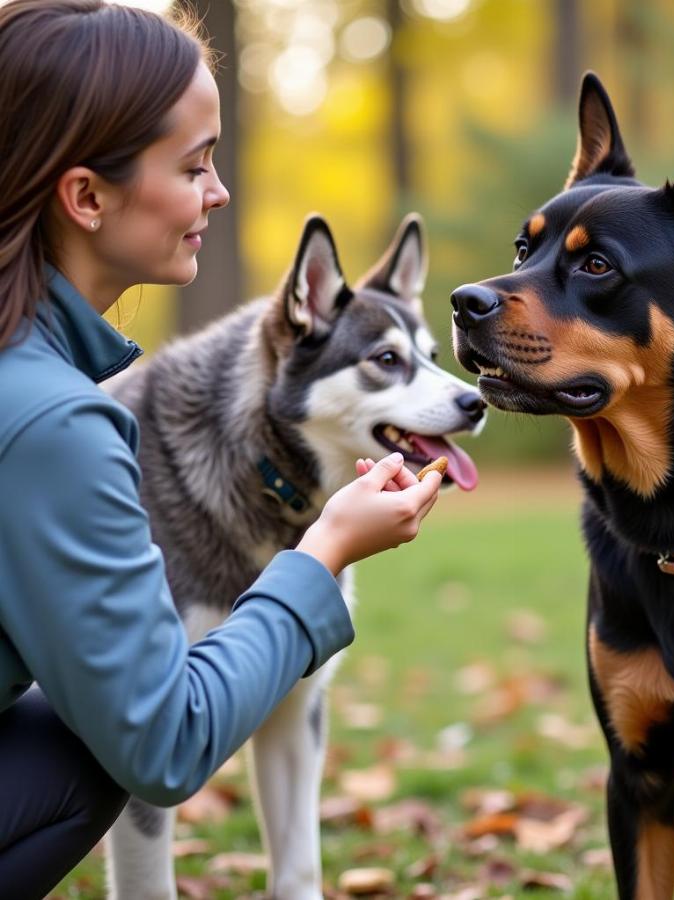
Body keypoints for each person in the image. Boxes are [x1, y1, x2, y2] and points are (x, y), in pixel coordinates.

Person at [0, 2, 443, 896]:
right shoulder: (55, 423)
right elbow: (160, 747)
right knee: (90, 738)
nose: (221, 192)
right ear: (87, 196)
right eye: (195, 166)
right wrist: (322, 555)